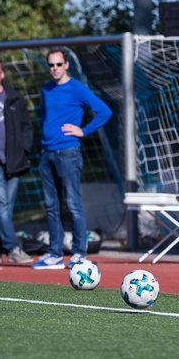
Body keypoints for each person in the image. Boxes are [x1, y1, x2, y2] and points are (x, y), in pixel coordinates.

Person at [31, 48, 113, 270]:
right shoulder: (46, 89)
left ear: (66, 65)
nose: (55, 69)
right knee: (51, 205)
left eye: (59, 64)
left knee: (73, 204)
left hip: (68, 153)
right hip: (46, 153)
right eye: (51, 65)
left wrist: (84, 131)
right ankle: (55, 253)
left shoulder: (77, 88)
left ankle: (79, 253)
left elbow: (104, 111)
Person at [0, 56, 34, 265]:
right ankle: (13, 248)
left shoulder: (14, 98)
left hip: (14, 161)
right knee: (1, 206)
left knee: (6, 208)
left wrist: (25, 150)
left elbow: (27, 126)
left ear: (2, 74)